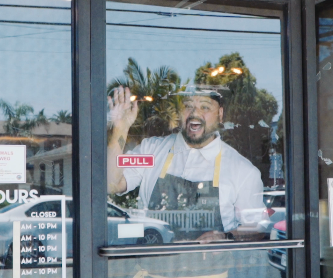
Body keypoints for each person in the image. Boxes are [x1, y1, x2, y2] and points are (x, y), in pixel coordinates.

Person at [107, 86, 265, 241]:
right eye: (188, 106)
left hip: (211, 266)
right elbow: (112, 184)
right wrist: (120, 129)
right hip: (152, 265)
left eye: (205, 107)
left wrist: (226, 236)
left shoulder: (242, 170)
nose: (195, 113)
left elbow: (258, 227)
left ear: (220, 114)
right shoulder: (151, 152)